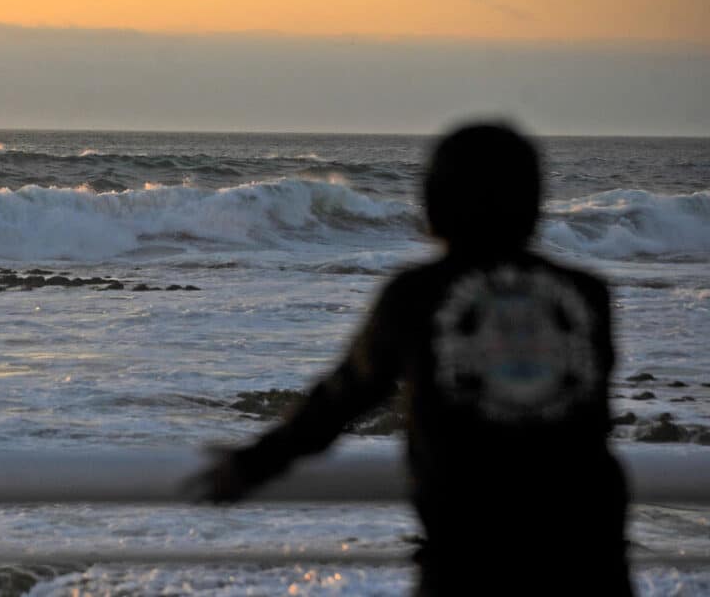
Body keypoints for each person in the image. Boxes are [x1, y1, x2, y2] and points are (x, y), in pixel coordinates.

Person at [187, 123, 632, 595]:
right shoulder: (587, 295)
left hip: (471, 558)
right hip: (591, 557)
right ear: (534, 203)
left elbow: (343, 398)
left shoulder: (419, 294)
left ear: (435, 201)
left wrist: (250, 466)